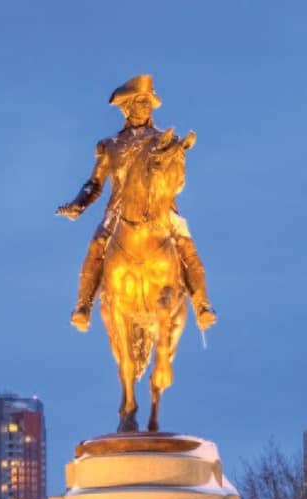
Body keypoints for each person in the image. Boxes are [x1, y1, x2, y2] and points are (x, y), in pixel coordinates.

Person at [57, 74, 216, 333]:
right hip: (118, 211)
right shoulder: (111, 146)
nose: (145, 106)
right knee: (97, 245)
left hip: (161, 209)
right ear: (127, 106)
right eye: (140, 101)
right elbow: (94, 183)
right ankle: (83, 305)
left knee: (186, 245)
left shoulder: (164, 141)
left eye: (148, 102)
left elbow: (176, 177)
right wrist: (78, 205)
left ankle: (201, 305)